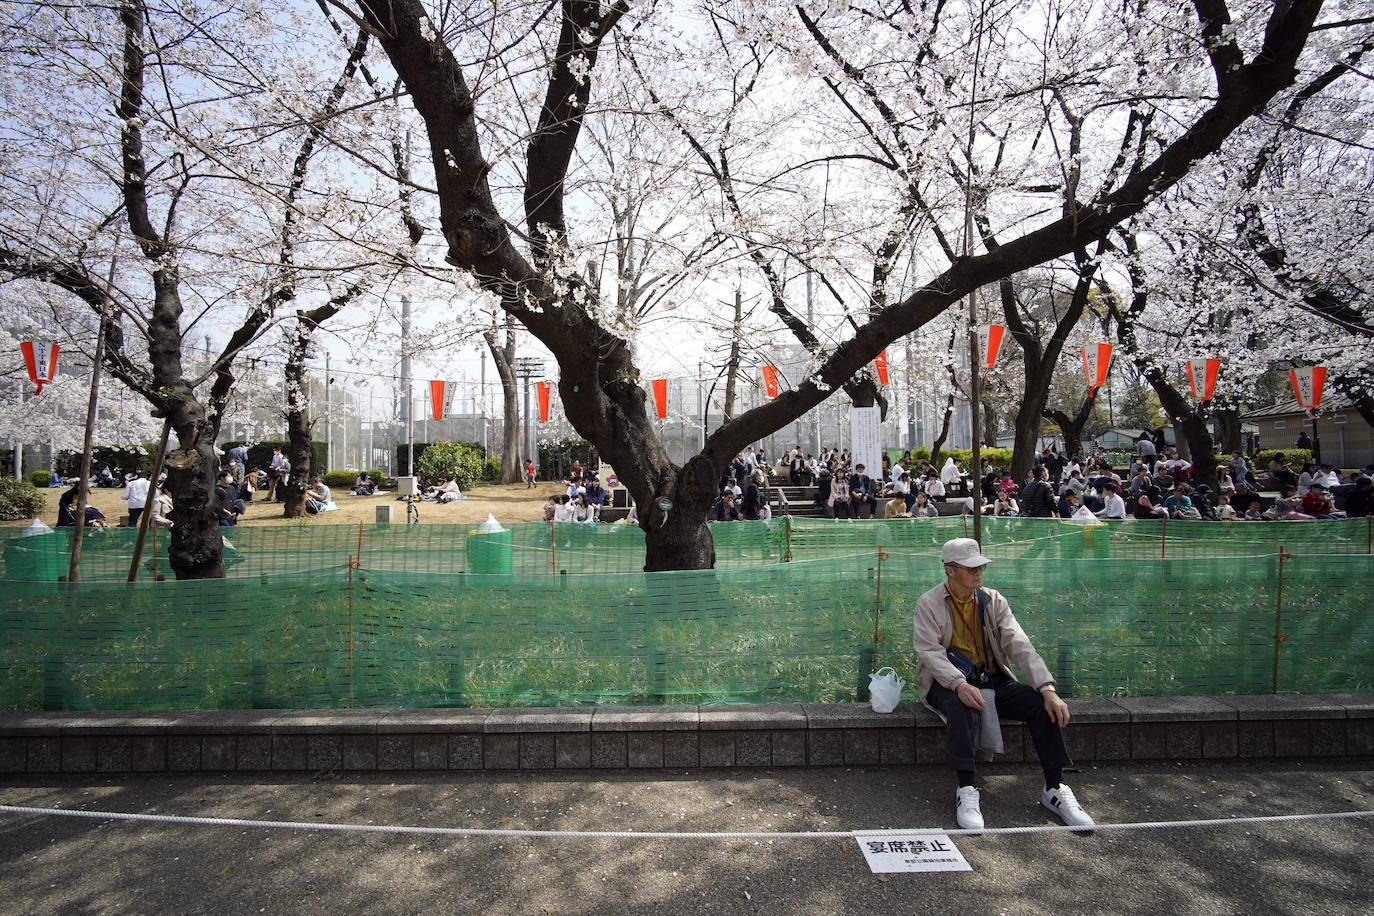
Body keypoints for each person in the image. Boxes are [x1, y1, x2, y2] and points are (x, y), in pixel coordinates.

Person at [913, 538, 1093, 831]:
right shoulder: (929, 603)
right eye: (970, 568)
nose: (978, 572)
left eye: (980, 566)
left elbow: (1018, 643)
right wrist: (959, 684)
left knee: (1039, 705)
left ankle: (1055, 786)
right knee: (963, 705)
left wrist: (1047, 688)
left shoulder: (992, 600)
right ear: (949, 570)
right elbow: (929, 652)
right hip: (944, 682)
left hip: (992, 679)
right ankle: (966, 788)